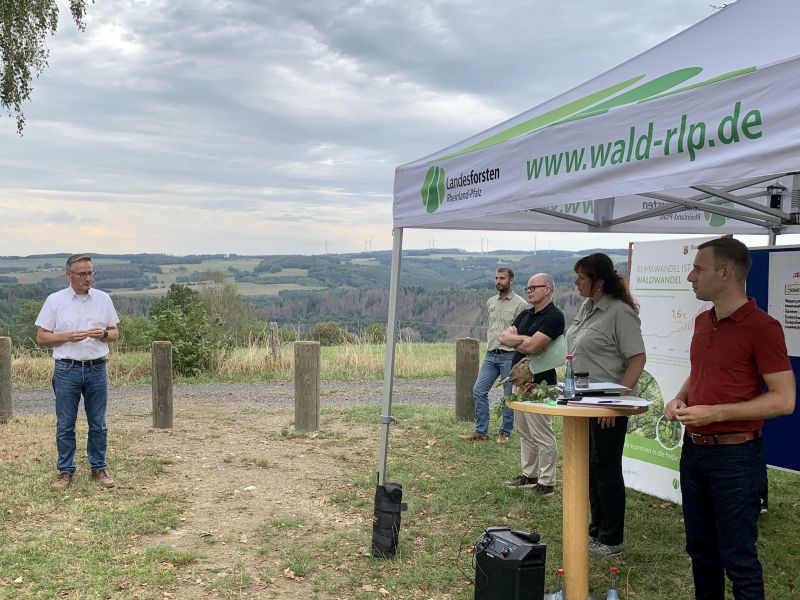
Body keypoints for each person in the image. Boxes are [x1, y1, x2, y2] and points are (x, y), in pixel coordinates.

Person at [663, 237, 795, 600]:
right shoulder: (704, 322)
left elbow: (784, 400)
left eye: (698, 269)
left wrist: (716, 413)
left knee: (739, 559)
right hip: (695, 452)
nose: (691, 276)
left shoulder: (762, 327)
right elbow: (702, 372)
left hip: (736, 459)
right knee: (701, 552)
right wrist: (679, 398)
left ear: (725, 273)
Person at [565, 253, 646, 556]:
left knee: (606, 467)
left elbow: (637, 359)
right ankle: (595, 530)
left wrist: (618, 402)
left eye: (582, 278)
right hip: (582, 402)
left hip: (608, 405)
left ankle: (611, 539)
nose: (576, 283)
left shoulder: (619, 313)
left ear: (598, 282)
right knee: (590, 468)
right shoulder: (588, 308)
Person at [35, 254, 120, 491]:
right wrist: (67, 336)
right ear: (69, 275)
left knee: (98, 423)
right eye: (82, 274)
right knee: (65, 424)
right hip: (66, 369)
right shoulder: (55, 300)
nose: (87, 278)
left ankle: (99, 468)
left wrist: (102, 334)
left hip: (96, 367)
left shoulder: (103, 299)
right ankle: (65, 472)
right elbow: (42, 337)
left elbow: (114, 333)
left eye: (90, 273)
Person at [499, 273, 565, 496]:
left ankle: (547, 483)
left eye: (533, 287)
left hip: (541, 385)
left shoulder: (554, 316)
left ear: (547, 289)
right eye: (527, 288)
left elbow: (534, 347)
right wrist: (524, 341)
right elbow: (503, 338)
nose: (529, 291)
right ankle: (530, 475)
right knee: (525, 431)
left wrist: (520, 341)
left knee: (542, 434)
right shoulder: (525, 314)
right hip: (520, 383)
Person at [459, 267, 528, 443]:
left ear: (511, 280)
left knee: (508, 395)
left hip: (509, 356)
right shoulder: (491, 302)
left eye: (502, 278)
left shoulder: (521, 304)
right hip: (491, 354)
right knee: (478, 390)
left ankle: (505, 432)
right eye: (496, 278)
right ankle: (481, 431)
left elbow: (522, 333)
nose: (498, 281)